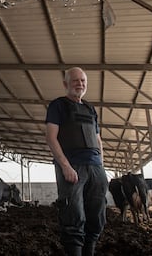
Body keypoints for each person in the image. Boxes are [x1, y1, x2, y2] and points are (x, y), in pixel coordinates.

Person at [45, 67, 108, 256]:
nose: (80, 84)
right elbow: (51, 137)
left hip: (95, 168)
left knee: (97, 216)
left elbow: (98, 140)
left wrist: (101, 167)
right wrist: (65, 166)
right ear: (66, 84)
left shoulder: (90, 108)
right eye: (75, 80)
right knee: (74, 215)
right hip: (73, 166)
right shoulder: (58, 105)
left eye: (83, 81)